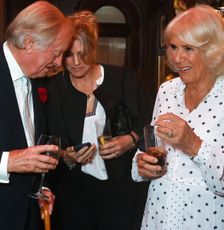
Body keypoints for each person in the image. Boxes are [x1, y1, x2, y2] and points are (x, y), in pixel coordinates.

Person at [132, 4, 224, 230]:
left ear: (212, 50)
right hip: (158, 218)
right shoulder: (167, 90)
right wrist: (141, 164)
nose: (177, 58)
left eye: (188, 48)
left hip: (206, 222)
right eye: (173, 47)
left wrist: (193, 144)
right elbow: (151, 147)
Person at [46, 10, 143, 230]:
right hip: (73, 192)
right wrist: (66, 156)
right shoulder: (54, 89)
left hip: (119, 188)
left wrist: (129, 139)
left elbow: (145, 123)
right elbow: (47, 140)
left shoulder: (123, 79)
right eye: (69, 55)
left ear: (94, 48)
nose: (76, 62)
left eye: (83, 52)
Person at [0, 1, 73, 230]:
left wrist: (42, 188)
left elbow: (29, 145)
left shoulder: (36, 80)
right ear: (30, 43)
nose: (59, 63)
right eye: (56, 53)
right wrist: (8, 162)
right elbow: (16, 157)